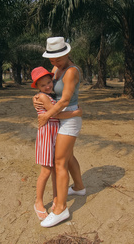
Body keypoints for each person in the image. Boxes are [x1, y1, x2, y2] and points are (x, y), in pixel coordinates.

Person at [35, 37, 86, 228]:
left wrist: (47, 114)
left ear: (66, 53)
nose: (53, 62)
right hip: (60, 116)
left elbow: (64, 100)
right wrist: (38, 98)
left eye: (57, 58)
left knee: (59, 162)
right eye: (51, 59)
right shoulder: (56, 69)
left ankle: (61, 209)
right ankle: (79, 187)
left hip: (68, 119)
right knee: (68, 155)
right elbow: (46, 87)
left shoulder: (72, 71)